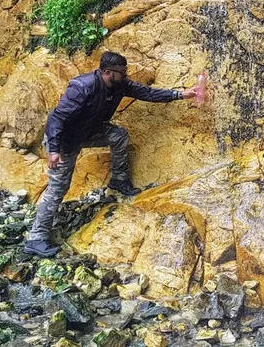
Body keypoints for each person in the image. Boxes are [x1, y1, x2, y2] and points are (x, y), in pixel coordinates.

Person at [23, 51, 200, 257]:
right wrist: (53, 149)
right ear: (107, 72)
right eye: (122, 72)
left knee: (119, 136)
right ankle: (36, 238)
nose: (126, 75)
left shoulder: (120, 84)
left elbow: (148, 93)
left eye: (125, 72)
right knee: (58, 188)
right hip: (64, 142)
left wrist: (181, 94)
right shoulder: (82, 87)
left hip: (89, 132)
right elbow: (56, 118)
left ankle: (119, 180)